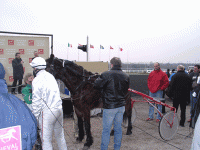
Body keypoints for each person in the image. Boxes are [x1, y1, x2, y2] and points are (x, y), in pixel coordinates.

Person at [30, 57, 67, 150]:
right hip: (59, 110)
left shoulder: (36, 80)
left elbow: (36, 102)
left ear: (35, 68)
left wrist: (36, 118)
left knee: (46, 140)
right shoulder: (51, 76)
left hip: (48, 113)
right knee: (60, 136)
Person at [94, 57, 130, 150]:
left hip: (109, 107)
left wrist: (98, 77)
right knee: (118, 129)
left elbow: (96, 85)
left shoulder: (106, 74)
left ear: (112, 64)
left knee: (106, 130)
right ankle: (116, 148)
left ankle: (104, 148)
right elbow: (126, 90)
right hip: (121, 106)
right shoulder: (126, 76)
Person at [0, 62, 37, 149]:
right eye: (30, 78)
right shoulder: (21, 97)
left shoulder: (17, 102)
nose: (32, 79)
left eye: (32, 77)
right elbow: (28, 100)